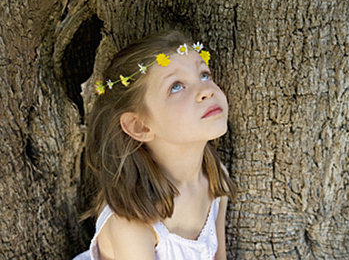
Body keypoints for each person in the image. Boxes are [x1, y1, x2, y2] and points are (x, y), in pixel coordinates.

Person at [74, 30, 236, 260]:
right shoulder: (132, 222)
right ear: (140, 126)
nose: (207, 90)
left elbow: (219, 257)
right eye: (177, 86)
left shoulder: (214, 178)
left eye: (204, 75)